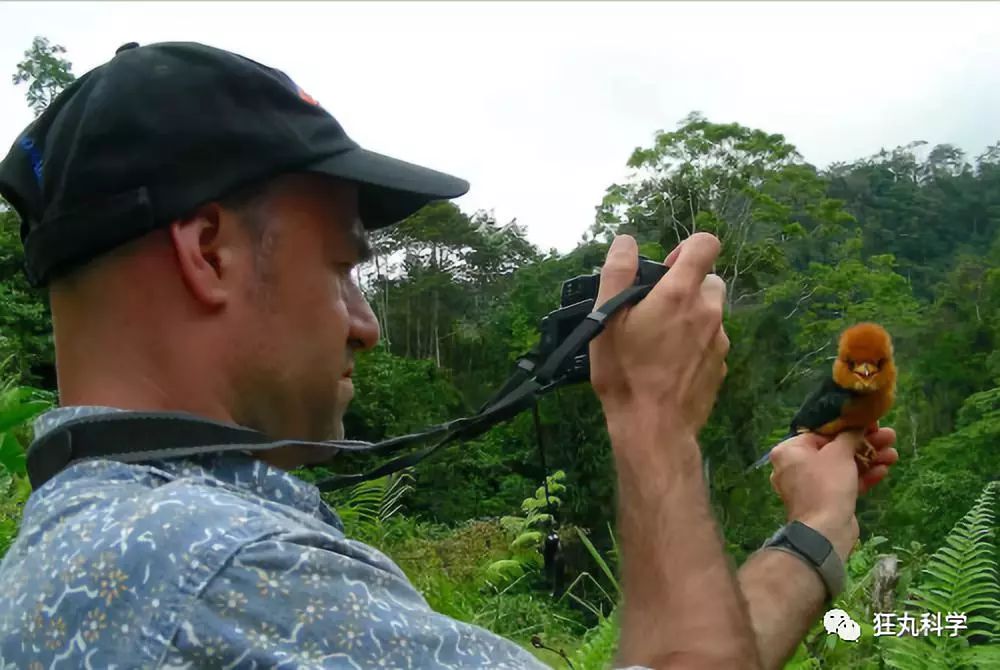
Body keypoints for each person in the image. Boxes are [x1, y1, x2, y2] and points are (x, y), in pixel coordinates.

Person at [0, 41, 898, 669]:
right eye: (344, 268)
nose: (366, 323)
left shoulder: (95, 550)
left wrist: (813, 534)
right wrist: (655, 421)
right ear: (208, 252)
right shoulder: (220, 567)